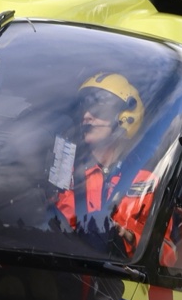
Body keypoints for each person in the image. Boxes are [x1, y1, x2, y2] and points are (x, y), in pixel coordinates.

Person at [51, 72, 161, 257]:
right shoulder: (66, 174)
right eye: (84, 110)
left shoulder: (147, 180)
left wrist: (131, 237)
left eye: (97, 110)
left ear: (125, 117)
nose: (86, 116)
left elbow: (171, 251)